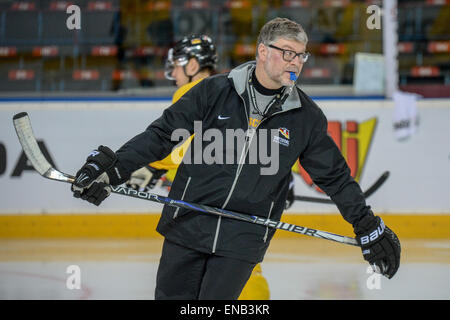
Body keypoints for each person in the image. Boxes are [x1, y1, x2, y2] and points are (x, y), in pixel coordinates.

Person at [71, 17, 401, 300]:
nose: (295, 62)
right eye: (287, 53)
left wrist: (368, 226)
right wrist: (111, 169)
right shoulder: (214, 92)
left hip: (242, 240)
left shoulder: (305, 116)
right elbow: (161, 136)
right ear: (262, 51)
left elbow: (335, 178)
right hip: (187, 225)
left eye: (301, 56)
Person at [125, 34, 270, 300]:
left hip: (205, 213)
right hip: (245, 206)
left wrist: (151, 166)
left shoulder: (191, 92)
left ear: (192, 66)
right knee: (244, 272)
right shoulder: (237, 91)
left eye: (177, 67)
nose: (175, 75)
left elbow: (182, 145)